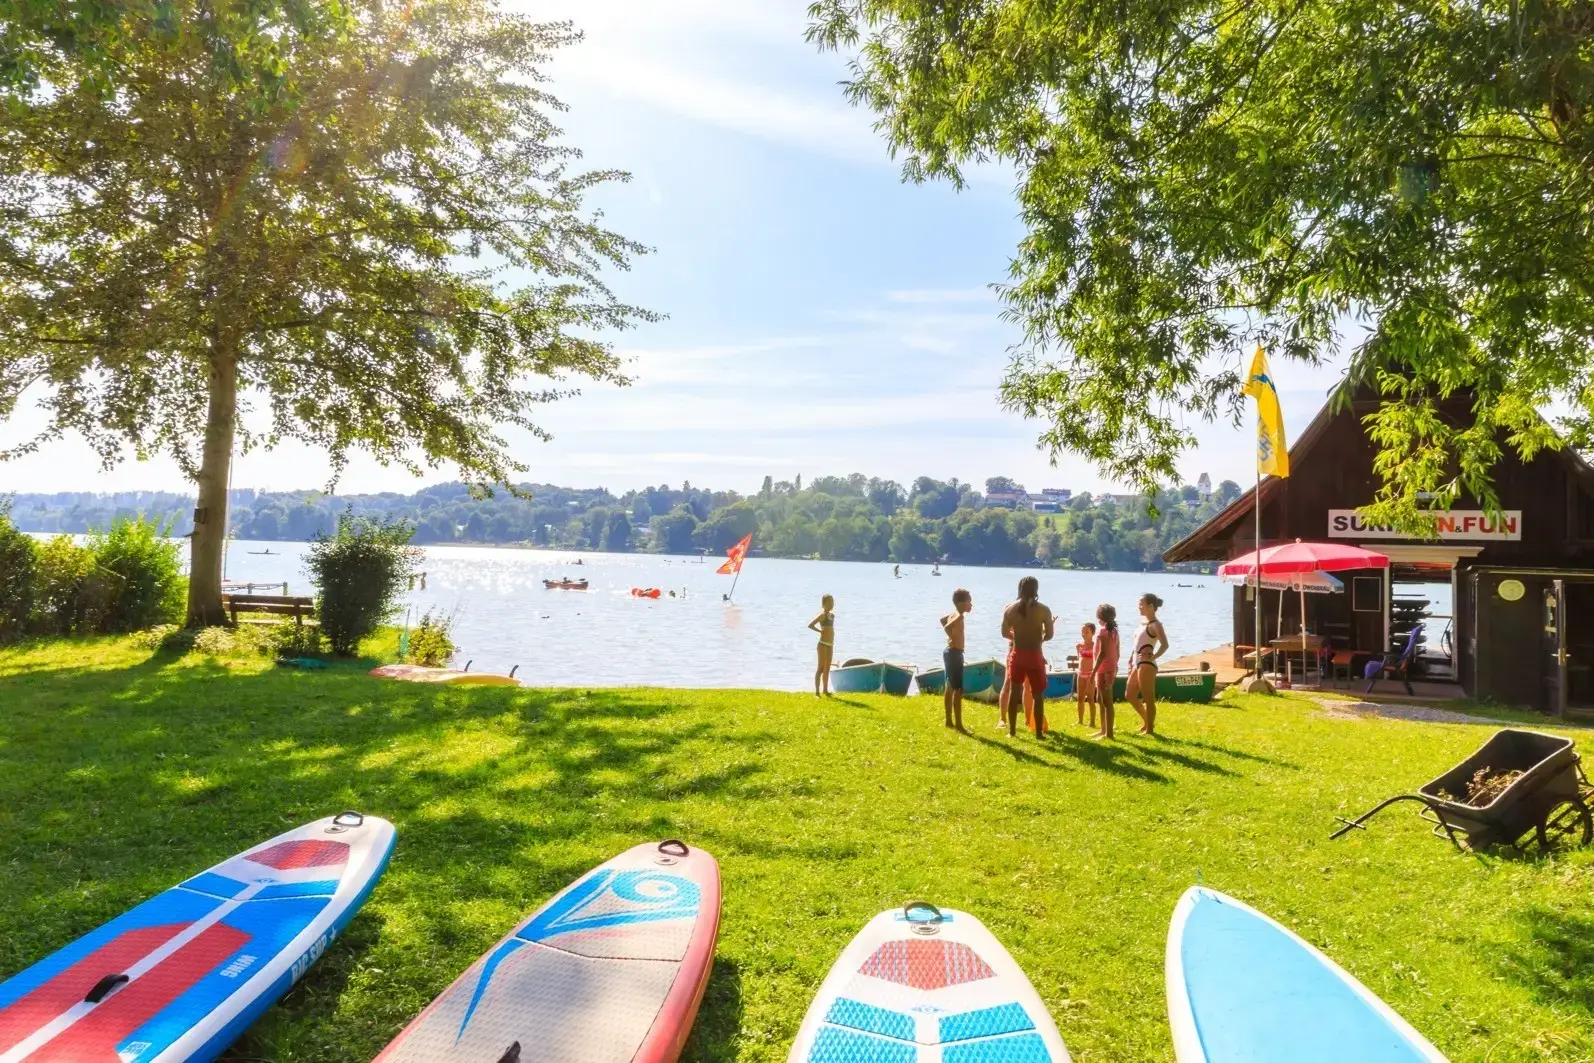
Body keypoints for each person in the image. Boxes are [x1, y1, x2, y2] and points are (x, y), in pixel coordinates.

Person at [1001, 576, 1054, 738]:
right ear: (1036, 590)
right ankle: (1038, 733)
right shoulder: (1044, 610)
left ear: (1020, 589)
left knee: (1014, 692)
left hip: (1018, 655)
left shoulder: (1010, 609)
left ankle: (1012, 732)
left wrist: (1017, 636)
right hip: (1035, 655)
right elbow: (1050, 635)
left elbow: (1004, 633)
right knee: (1038, 695)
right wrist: (1040, 637)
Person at [1125, 593, 1169, 735]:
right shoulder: (1142, 623)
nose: (1139, 607)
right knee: (1129, 695)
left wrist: (1153, 657)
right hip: (1137, 663)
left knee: (1148, 698)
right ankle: (1147, 721)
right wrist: (1131, 661)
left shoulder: (1156, 625)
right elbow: (1137, 645)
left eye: (1141, 604)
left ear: (1150, 606)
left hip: (1146, 664)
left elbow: (1165, 645)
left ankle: (1149, 729)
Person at [940, 589, 973, 730]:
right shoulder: (959, 616)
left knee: (949, 686)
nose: (971, 605)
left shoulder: (954, 614)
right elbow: (947, 627)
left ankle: (949, 720)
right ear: (961, 603)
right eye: (969, 602)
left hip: (950, 653)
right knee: (958, 690)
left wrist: (952, 638)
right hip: (954, 653)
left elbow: (942, 620)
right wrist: (952, 639)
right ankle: (958, 724)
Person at [1091, 604, 1121, 739]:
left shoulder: (1102, 632)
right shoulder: (1114, 631)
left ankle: (1109, 734)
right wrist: (1115, 665)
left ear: (1099, 617)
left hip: (1103, 670)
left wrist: (1093, 672)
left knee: (1107, 702)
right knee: (1100, 699)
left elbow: (1102, 653)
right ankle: (1103, 729)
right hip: (1109, 668)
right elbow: (1118, 651)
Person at [808, 595, 836, 697]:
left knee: (827, 668)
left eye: (832, 602)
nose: (831, 604)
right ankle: (817, 692)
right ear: (823, 604)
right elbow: (810, 625)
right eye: (829, 602)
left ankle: (825, 690)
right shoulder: (822, 615)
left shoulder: (832, 616)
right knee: (821, 668)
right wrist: (820, 631)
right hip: (822, 644)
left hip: (830, 644)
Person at [1075, 621, 1097, 728]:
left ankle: (1092, 722)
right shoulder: (1079, 645)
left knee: (1091, 698)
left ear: (1093, 633)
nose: (1084, 634)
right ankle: (1080, 720)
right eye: (1082, 631)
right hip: (1081, 673)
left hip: (1090, 674)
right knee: (1080, 698)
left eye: (1087, 632)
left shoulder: (1095, 646)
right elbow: (1080, 659)